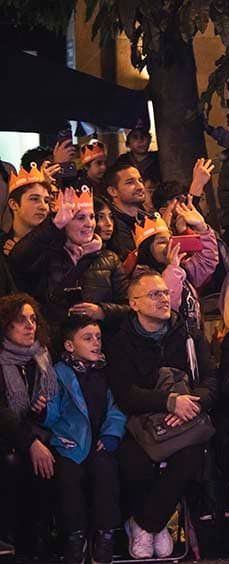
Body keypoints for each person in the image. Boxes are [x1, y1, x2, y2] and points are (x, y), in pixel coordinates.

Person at [106, 271, 216, 560]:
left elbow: (210, 379)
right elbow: (124, 393)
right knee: (133, 462)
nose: (164, 299)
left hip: (186, 420)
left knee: (191, 458)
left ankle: (146, 525)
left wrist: (191, 404)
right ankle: (151, 525)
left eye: (166, 293)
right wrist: (168, 402)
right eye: (155, 294)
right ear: (134, 303)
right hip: (142, 421)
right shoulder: (121, 342)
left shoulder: (188, 334)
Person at [42, 316, 125, 564]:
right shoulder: (58, 373)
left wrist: (112, 434)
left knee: (105, 473)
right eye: (87, 338)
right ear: (69, 345)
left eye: (98, 338)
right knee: (68, 478)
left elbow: (116, 407)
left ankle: (105, 534)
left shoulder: (105, 371)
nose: (96, 343)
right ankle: (75, 536)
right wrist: (42, 411)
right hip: (70, 443)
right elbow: (53, 414)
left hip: (101, 441)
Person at [7, 187, 130, 331]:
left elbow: (130, 307)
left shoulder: (110, 259)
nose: (89, 224)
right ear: (64, 222)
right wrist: (55, 225)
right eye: (80, 218)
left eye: (91, 217)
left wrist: (102, 311)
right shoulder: (48, 255)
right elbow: (17, 258)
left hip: (99, 341)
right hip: (53, 339)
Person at [0, 295, 57, 558]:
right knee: (14, 461)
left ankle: (40, 545)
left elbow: (54, 406)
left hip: (38, 432)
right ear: (5, 324)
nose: (29, 326)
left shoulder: (41, 357)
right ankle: (15, 543)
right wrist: (30, 441)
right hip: (7, 438)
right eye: (20, 320)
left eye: (33, 319)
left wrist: (41, 412)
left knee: (53, 458)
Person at [133, 206, 218, 333]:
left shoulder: (181, 268)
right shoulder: (142, 278)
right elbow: (168, 305)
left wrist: (202, 229)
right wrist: (172, 268)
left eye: (170, 240)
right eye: (162, 242)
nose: (169, 246)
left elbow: (207, 261)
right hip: (172, 342)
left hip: (194, 338)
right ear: (147, 250)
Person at [103, 163, 150, 258]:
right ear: (113, 191)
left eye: (140, 181)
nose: (140, 187)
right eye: (130, 182)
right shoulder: (111, 225)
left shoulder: (149, 218)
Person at [3, 164, 50, 256]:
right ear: (14, 204)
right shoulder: (3, 246)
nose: (43, 207)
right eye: (34, 199)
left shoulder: (56, 246)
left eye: (46, 201)